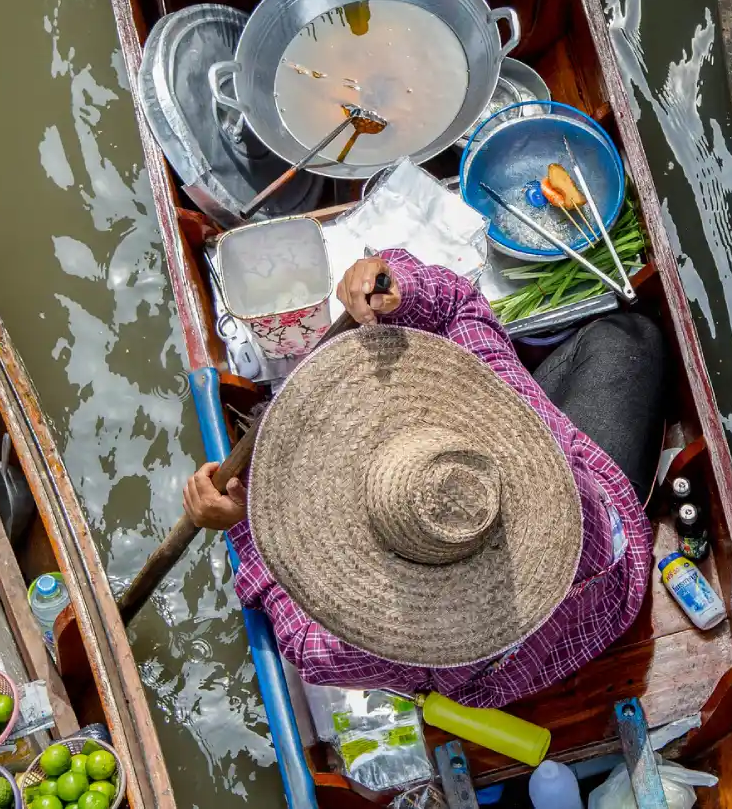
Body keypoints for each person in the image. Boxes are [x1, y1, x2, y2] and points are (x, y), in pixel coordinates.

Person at [182, 249, 665, 708]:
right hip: (614, 581)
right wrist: (398, 289)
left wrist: (244, 525)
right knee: (628, 334)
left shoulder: (383, 639)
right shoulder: (511, 400)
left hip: (521, 665)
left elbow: (305, 645)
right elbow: (459, 305)